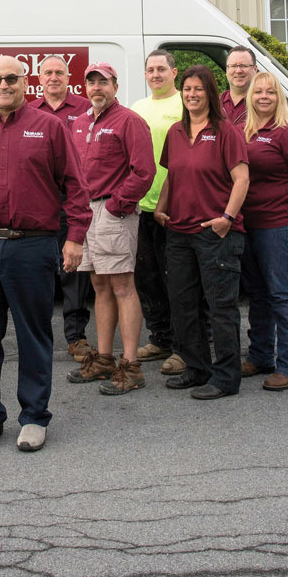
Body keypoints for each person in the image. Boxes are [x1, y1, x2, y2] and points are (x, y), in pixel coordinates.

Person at [0, 57, 91, 452]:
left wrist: (75, 237)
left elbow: (75, 186)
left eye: (11, 78)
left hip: (32, 245)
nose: (4, 85)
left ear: (25, 82)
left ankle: (33, 417)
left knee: (33, 335)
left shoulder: (50, 127)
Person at [154, 65, 249, 400]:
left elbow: (242, 178)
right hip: (179, 232)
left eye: (198, 89)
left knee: (220, 308)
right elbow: (172, 175)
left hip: (215, 233)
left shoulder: (225, 131)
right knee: (183, 305)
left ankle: (226, 378)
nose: (192, 94)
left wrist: (227, 218)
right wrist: (161, 208)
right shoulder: (176, 132)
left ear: (210, 93)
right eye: (187, 89)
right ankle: (196, 370)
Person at [69, 63, 155, 396]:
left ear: (115, 87)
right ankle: (104, 359)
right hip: (85, 212)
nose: (97, 88)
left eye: (103, 82)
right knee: (99, 285)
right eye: (91, 82)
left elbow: (144, 171)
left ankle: (131, 366)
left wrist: (117, 205)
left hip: (113, 211)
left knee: (122, 285)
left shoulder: (129, 121)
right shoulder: (79, 123)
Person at [240, 72, 288, 390]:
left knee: (281, 294)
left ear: (278, 98)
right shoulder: (241, 131)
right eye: (258, 91)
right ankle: (260, 356)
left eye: (270, 92)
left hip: (276, 225)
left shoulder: (285, 134)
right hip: (246, 224)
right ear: (250, 96)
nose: (263, 96)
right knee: (257, 294)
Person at [31, 55, 94, 360]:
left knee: (74, 272)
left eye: (59, 72)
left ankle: (76, 337)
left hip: (72, 200)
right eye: (48, 73)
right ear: (39, 79)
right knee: (38, 272)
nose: (53, 77)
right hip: (38, 203)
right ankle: (38, 339)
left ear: (69, 78)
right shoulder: (29, 111)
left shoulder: (86, 109)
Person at [131, 49, 185, 374]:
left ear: (173, 73)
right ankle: (160, 337)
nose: (155, 75)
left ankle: (183, 345)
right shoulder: (138, 108)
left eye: (161, 69)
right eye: (150, 70)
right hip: (142, 206)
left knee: (177, 280)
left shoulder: (183, 105)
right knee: (147, 278)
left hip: (175, 207)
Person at [220, 46, 258, 126]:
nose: (238, 71)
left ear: (255, 69)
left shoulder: (263, 105)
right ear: (227, 70)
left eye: (243, 66)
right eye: (233, 66)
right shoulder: (215, 105)